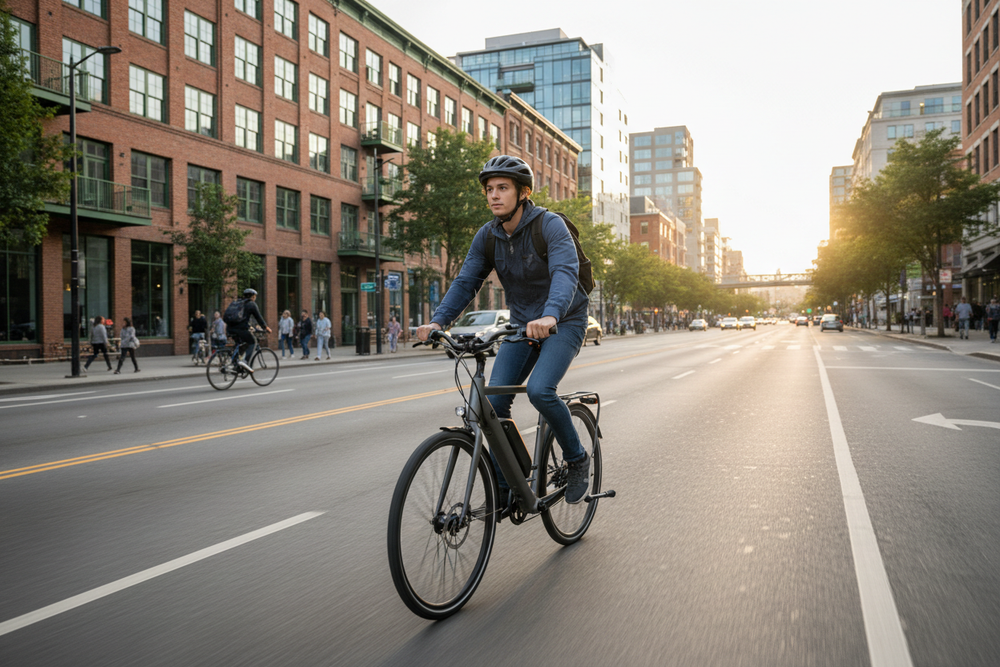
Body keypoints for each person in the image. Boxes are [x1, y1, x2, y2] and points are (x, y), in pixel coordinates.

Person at [416, 155, 591, 505]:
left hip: (565, 320)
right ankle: (506, 483)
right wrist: (438, 321)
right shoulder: (488, 236)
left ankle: (577, 459)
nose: (494, 195)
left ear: (523, 193)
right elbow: (467, 281)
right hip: (522, 324)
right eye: (489, 189)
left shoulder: (550, 226)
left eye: (503, 188)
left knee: (541, 391)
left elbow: (565, 274)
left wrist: (552, 315)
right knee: (491, 406)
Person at [227, 288, 271, 372]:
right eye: (255, 296)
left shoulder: (237, 303)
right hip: (240, 329)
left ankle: (236, 365)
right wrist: (266, 327)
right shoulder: (251, 304)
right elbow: (258, 317)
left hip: (230, 329)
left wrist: (250, 326)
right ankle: (245, 362)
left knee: (240, 344)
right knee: (252, 342)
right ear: (253, 296)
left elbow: (242, 318)